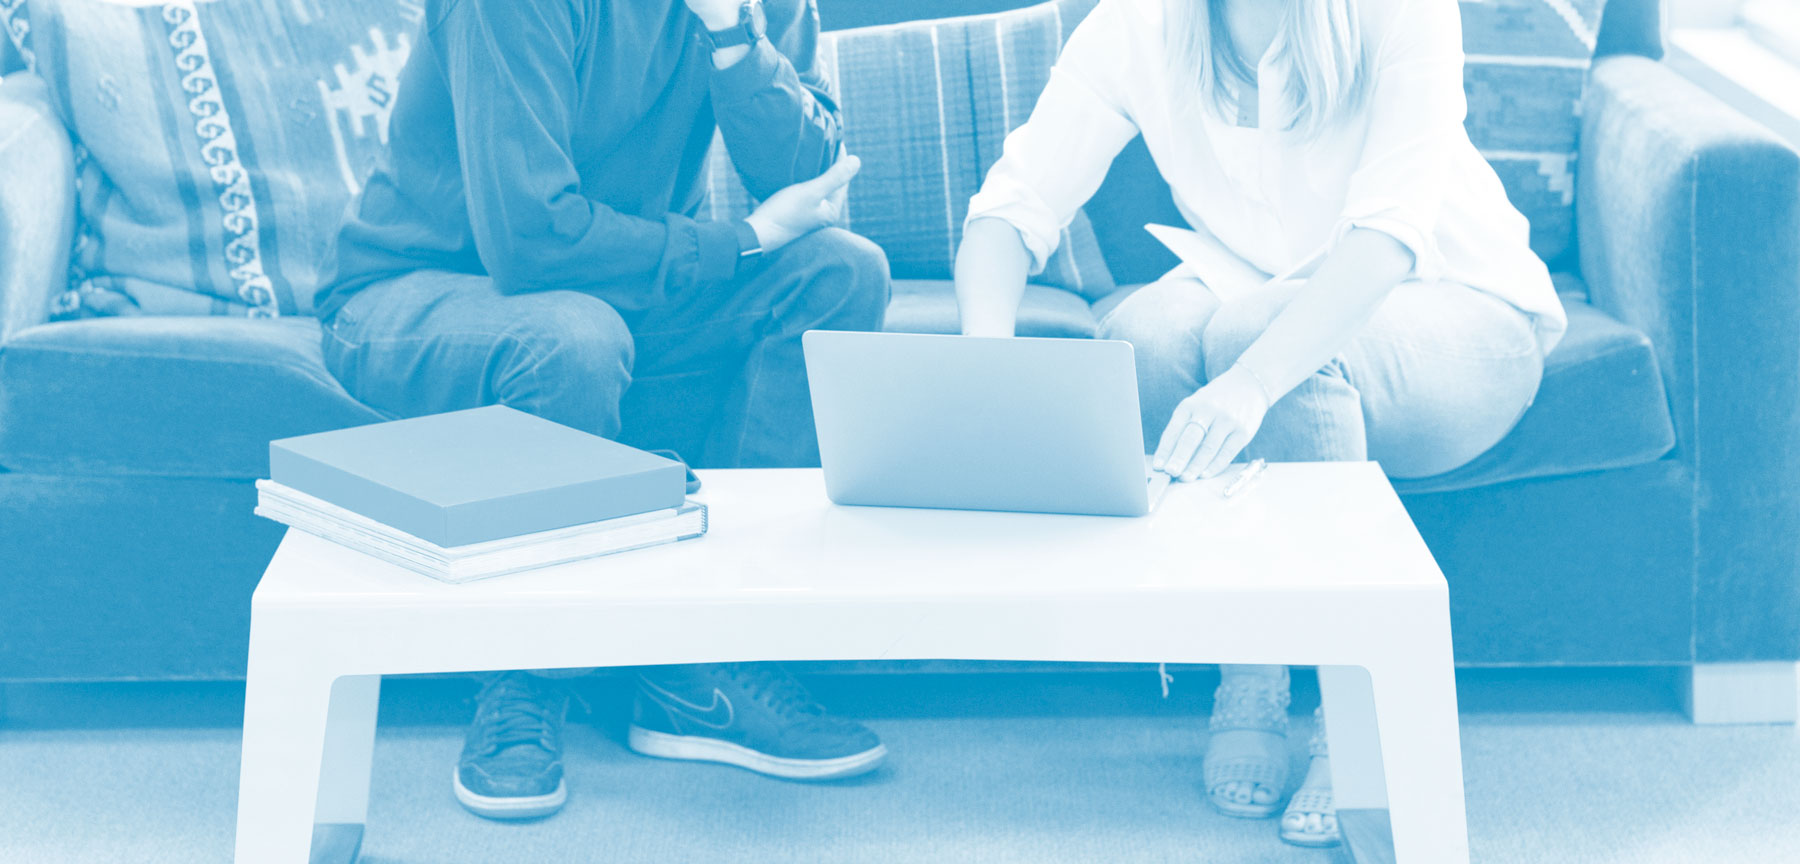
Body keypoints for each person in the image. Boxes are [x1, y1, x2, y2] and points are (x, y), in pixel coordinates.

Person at [953, 0, 1565, 848]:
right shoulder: (1141, 23)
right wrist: (986, 365)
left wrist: (1250, 381)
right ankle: (1252, 673)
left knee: (1256, 338)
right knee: (1143, 335)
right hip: (1254, 285)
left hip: (1458, 305)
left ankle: (1354, 720)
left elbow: (1390, 233)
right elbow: (1012, 207)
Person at [314, 0, 892, 821]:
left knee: (842, 274)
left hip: (613, 289)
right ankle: (522, 675)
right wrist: (736, 243)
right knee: (572, 341)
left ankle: (701, 660)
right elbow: (528, 241)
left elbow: (810, 180)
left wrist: (732, 31)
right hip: (411, 290)